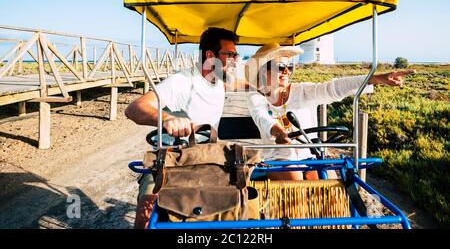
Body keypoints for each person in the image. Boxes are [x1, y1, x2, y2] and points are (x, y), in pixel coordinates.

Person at [245, 43, 416, 181]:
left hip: (310, 156)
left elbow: (333, 88)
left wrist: (376, 78)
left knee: (330, 184)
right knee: (294, 179)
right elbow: (262, 117)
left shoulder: (303, 91)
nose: (287, 71)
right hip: (278, 159)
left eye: (290, 66)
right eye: (280, 66)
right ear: (263, 70)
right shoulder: (256, 97)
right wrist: (277, 131)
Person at [125, 27, 240, 228]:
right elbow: (134, 109)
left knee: (237, 203)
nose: (235, 60)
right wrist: (168, 119)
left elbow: (245, 83)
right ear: (210, 56)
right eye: (230, 55)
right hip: (174, 160)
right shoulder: (182, 81)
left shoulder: (220, 81)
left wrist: (270, 85)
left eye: (236, 55)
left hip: (209, 157)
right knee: (147, 212)